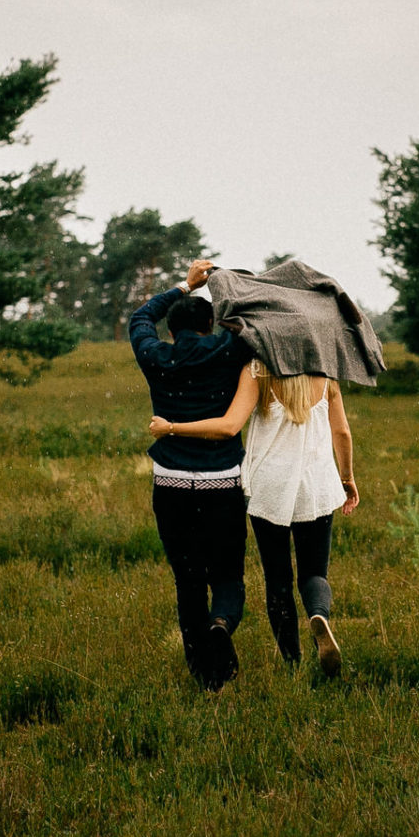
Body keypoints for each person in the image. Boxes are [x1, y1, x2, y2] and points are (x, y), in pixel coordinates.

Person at [150, 359, 359, 677]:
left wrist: (171, 428)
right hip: (315, 484)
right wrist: (347, 478)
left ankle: (292, 664)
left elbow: (228, 426)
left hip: (269, 485)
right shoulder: (324, 372)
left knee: (278, 579)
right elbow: (341, 431)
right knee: (314, 572)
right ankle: (319, 615)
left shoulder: (257, 371)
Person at [129, 259, 255, 690]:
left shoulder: (156, 355)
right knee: (227, 574)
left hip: (171, 485)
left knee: (188, 581)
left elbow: (140, 317)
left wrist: (185, 285)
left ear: (171, 329)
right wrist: (227, 286)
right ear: (210, 323)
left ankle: (204, 675)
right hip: (222, 482)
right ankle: (221, 625)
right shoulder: (230, 349)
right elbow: (257, 322)